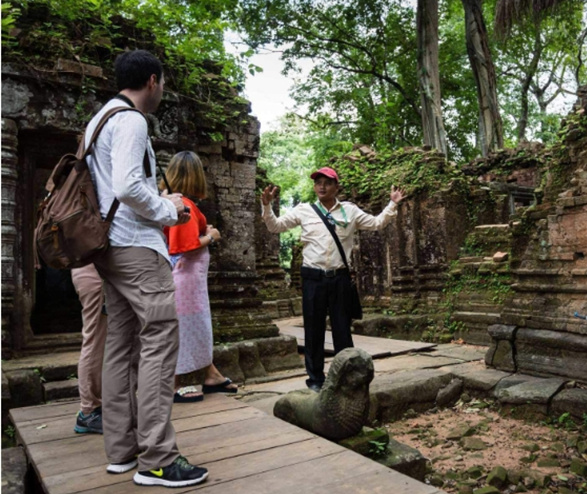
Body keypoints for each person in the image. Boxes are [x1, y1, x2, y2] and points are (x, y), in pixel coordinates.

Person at [85, 49, 208, 487]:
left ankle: (121, 450)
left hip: (108, 249)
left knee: (120, 343)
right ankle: (157, 458)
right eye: (163, 84)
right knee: (160, 339)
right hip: (136, 246)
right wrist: (169, 209)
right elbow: (127, 185)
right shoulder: (133, 120)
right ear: (152, 81)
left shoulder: (98, 120)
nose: (163, 91)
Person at [261, 167, 405, 392]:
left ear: (337, 187)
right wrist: (267, 205)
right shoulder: (305, 210)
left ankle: (346, 378)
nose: (321, 186)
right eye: (318, 182)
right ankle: (315, 380)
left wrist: (392, 203)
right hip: (312, 278)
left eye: (327, 183)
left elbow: (376, 223)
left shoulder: (349, 210)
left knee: (342, 330)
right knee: (313, 330)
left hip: (339, 278)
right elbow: (275, 226)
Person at [162, 151, 237, 402]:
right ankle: (173, 384)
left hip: (191, 279)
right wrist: (211, 237)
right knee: (183, 328)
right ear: (193, 175)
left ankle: (211, 374)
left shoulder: (180, 202)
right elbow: (184, 245)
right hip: (185, 278)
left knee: (198, 326)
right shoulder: (180, 204)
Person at [71, 264, 106, 434]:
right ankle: (88, 411)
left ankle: (95, 406)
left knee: (100, 341)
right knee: (94, 341)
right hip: (94, 273)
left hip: (94, 272)